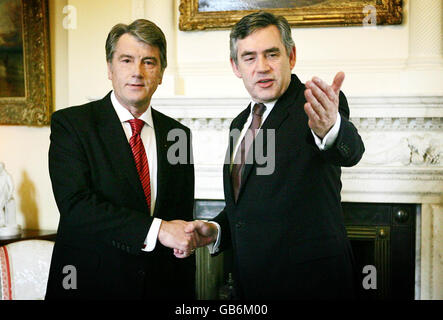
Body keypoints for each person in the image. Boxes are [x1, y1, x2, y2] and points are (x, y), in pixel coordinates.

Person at [186, 11, 365, 299]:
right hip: (250, 286)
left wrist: (331, 129)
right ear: (235, 66)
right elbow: (246, 207)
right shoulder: (239, 123)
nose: (262, 67)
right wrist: (216, 228)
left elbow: (351, 151)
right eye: (249, 57)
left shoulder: (316, 105)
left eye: (272, 54)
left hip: (312, 286)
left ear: (291, 56)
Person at [46, 19, 197, 299]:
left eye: (149, 62)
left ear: (162, 73)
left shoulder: (178, 135)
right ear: (109, 68)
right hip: (90, 287)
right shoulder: (72, 125)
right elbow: (76, 206)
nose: (137, 72)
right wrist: (158, 230)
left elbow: (180, 221)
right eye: (126, 60)